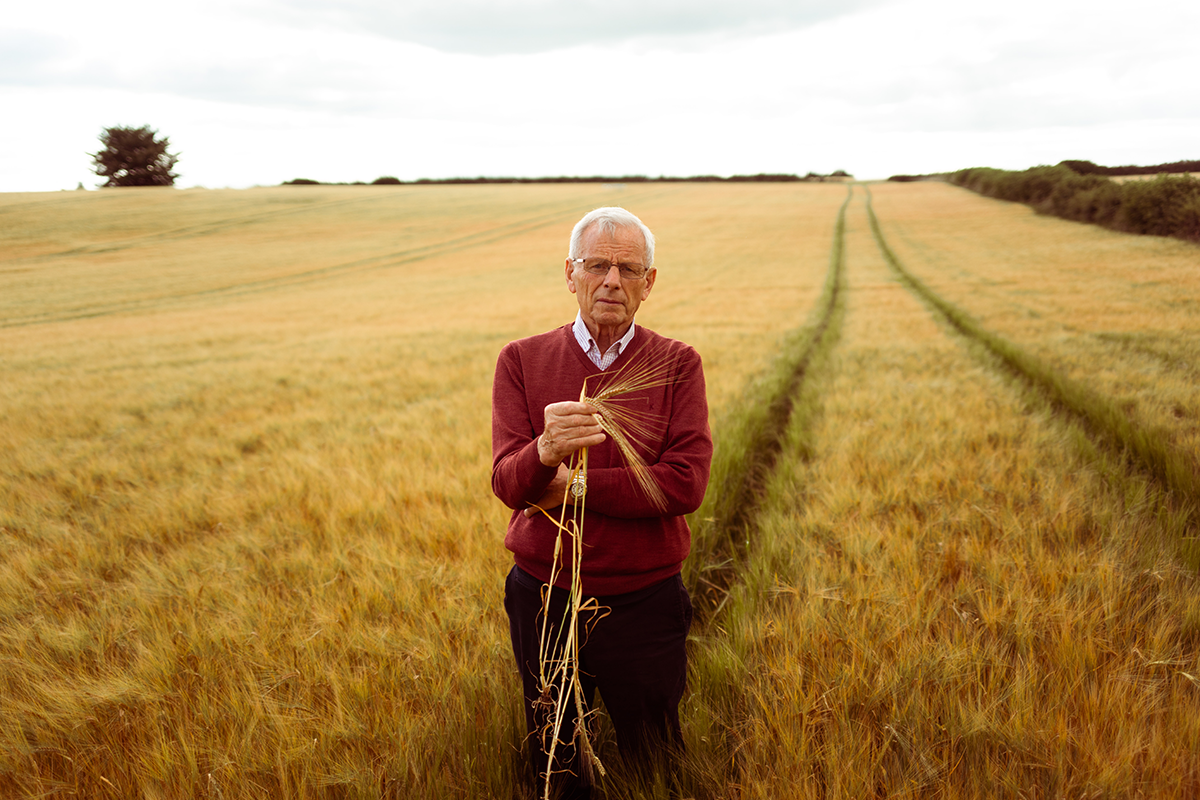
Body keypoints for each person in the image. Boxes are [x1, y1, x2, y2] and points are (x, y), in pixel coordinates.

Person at [491, 206, 712, 797]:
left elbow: (685, 484)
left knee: (655, 759)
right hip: (544, 597)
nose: (612, 280)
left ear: (649, 282)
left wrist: (576, 487)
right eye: (597, 265)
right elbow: (509, 486)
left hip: (645, 601)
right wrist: (543, 450)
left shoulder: (678, 365)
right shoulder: (521, 360)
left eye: (628, 268)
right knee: (555, 761)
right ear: (571, 274)